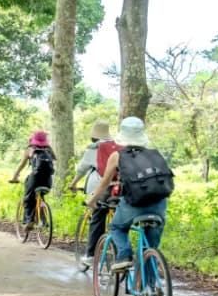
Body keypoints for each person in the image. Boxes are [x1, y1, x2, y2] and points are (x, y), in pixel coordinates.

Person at [85, 116, 168, 272]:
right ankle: (149, 291)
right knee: (148, 249)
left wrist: (91, 200)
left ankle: (124, 256)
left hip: (134, 203)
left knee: (116, 228)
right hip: (159, 204)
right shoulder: (156, 153)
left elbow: (104, 183)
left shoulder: (117, 156)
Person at [69, 120, 115, 267]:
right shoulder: (118, 147)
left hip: (100, 188)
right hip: (118, 189)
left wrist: (73, 183)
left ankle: (90, 255)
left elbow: (82, 169)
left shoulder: (94, 148)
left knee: (97, 218)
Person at [9, 130, 55, 227]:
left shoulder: (30, 149)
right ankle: (43, 220)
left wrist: (14, 177)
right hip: (48, 181)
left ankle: (29, 221)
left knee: (28, 198)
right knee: (40, 196)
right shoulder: (49, 150)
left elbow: (21, 165)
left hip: (35, 179)